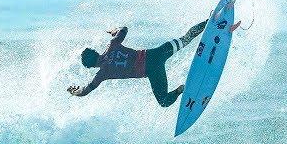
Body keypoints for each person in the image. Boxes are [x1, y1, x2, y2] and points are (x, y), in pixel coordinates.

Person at [67, 20, 208, 107]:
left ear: (91, 66)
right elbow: (124, 29)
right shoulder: (112, 45)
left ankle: (180, 90)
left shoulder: (102, 73)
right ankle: (208, 22)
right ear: (96, 52)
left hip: (152, 71)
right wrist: (114, 31)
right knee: (185, 39)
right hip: (156, 54)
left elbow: (87, 90)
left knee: (164, 102)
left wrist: (76, 92)